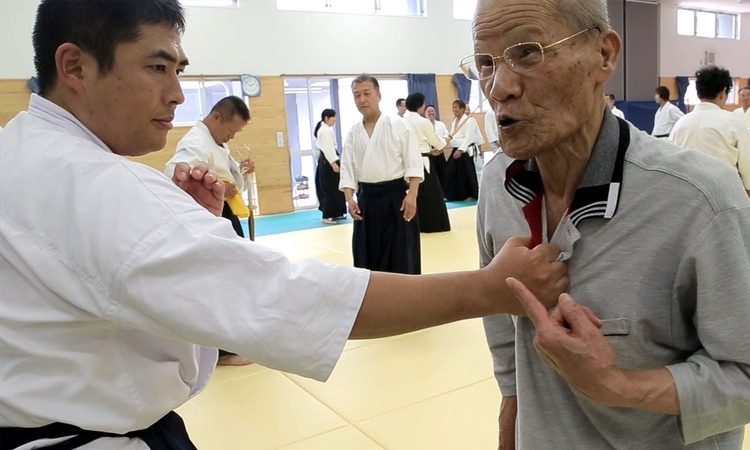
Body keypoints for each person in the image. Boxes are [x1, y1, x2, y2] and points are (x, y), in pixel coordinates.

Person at [0, 1, 571, 448]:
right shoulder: (103, 189)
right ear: (74, 65)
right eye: (156, 67)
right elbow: (284, 297)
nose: (176, 94)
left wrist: (190, 230)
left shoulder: (20, 152)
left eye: (179, 70)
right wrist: (488, 289)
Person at [462, 0, 750, 448]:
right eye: (485, 63)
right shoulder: (498, 184)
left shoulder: (700, 198)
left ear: (604, 55)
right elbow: (505, 326)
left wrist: (617, 384)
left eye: (527, 53)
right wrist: (512, 414)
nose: (499, 86)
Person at [165, 96, 255, 367]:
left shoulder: (216, 143)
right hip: (207, 218)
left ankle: (232, 342)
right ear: (216, 117)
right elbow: (176, 173)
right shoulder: (195, 142)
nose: (232, 136)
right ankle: (221, 351)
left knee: (236, 277)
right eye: (232, 129)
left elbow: (231, 183)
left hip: (222, 215)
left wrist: (241, 172)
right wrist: (216, 187)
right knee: (218, 281)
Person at [340, 75, 424, 274]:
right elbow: (347, 167)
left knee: (400, 253)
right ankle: (373, 300)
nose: (362, 99)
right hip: (366, 199)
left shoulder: (398, 125)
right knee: (366, 254)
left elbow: (413, 161)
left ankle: (405, 299)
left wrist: (412, 195)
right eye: (357, 95)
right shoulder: (353, 132)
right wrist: (349, 198)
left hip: (396, 198)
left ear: (378, 95)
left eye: (366, 93)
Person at [669, 66, 750, 204]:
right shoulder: (733, 122)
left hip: (685, 192)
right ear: (723, 92)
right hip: (722, 193)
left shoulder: (681, 123)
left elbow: (670, 157)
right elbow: (747, 160)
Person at [404, 92, 451, 233]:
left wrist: (431, 150)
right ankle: (431, 225)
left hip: (406, 162)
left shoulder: (400, 121)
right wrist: (445, 141)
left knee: (411, 193)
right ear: (420, 105)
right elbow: (436, 143)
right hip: (423, 162)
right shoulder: (423, 122)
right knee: (429, 194)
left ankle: (411, 223)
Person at [443, 100, 482, 201]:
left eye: (456, 107)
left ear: (462, 109)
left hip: (465, 150)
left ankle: (469, 195)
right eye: (453, 107)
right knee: (450, 172)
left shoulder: (469, 121)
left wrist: (460, 150)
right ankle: (451, 195)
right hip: (455, 148)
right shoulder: (454, 121)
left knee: (465, 173)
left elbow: (469, 137)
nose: (454, 109)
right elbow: (452, 136)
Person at [313, 108, 346, 224]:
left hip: (327, 160)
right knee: (329, 188)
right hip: (328, 161)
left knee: (336, 187)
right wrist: (333, 164)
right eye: (333, 117)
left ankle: (337, 212)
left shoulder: (323, 130)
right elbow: (328, 149)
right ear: (326, 118)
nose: (335, 120)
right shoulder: (325, 131)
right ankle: (326, 215)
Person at [424, 104, 449, 180]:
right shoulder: (423, 125)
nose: (431, 113)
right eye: (429, 111)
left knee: (442, 173)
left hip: (440, 151)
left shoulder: (441, 124)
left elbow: (447, 135)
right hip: (429, 152)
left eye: (432, 111)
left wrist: (441, 142)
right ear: (425, 113)